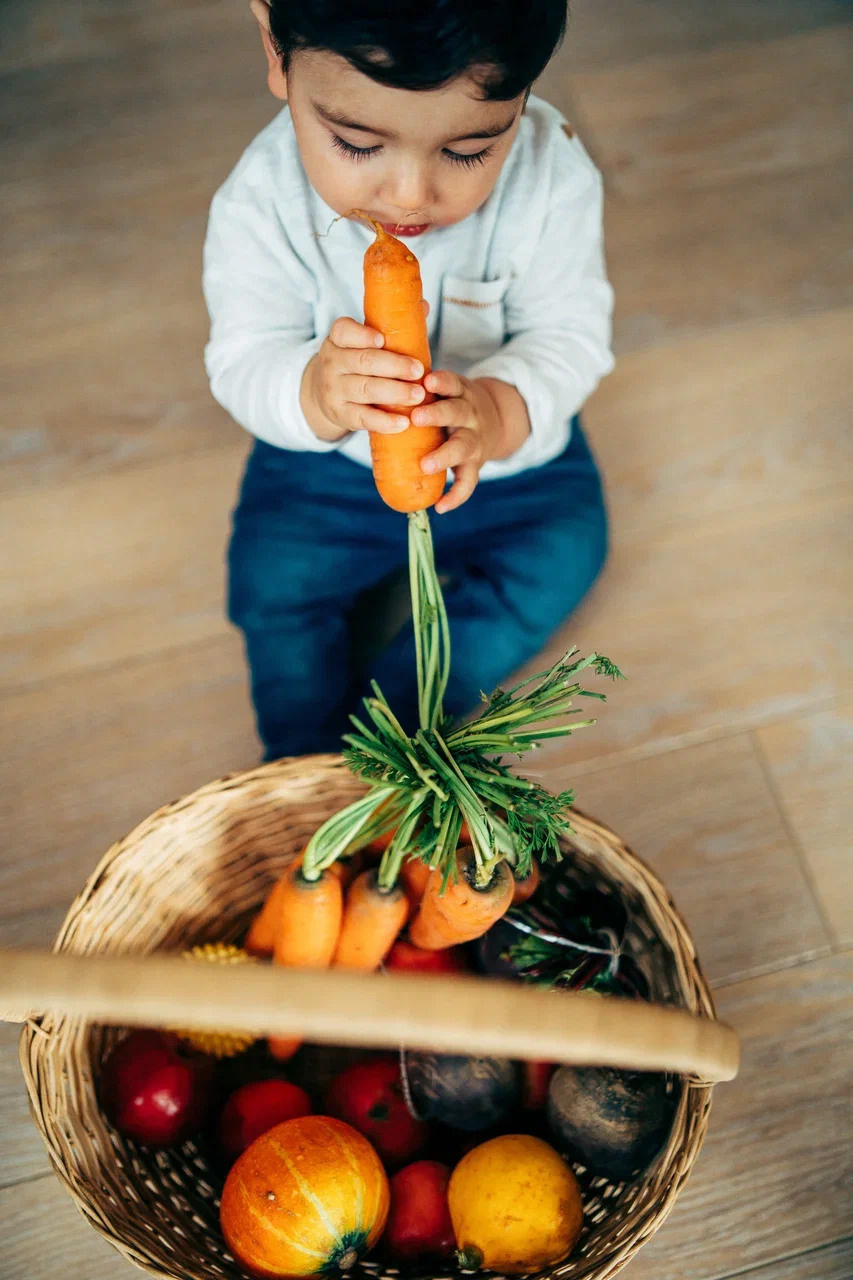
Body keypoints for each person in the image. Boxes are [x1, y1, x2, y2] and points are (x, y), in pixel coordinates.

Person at [203, 0, 614, 760]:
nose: (409, 196)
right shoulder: (261, 200)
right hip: (327, 471)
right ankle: (303, 753)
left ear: (522, 95)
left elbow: (572, 336)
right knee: (270, 582)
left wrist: (497, 409)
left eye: (468, 151)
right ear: (274, 50)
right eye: (356, 143)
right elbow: (241, 358)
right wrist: (316, 394)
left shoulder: (552, 173)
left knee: (568, 548)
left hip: (502, 469)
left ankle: (407, 713)